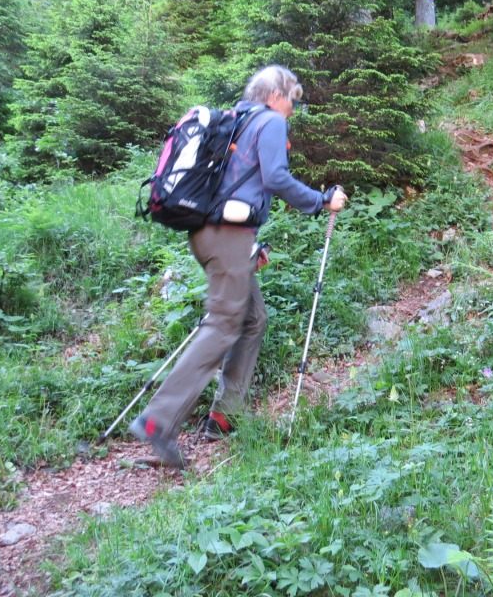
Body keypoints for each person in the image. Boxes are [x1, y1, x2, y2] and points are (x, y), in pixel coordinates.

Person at [130, 65, 348, 467]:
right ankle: (157, 421)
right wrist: (321, 201)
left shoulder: (237, 120)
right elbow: (276, 178)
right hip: (227, 237)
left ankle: (224, 415)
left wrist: (250, 245)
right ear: (277, 95)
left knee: (251, 319)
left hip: (213, 234)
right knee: (222, 325)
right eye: (293, 100)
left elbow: (232, 185)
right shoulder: (270, 121)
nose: (293, 109)